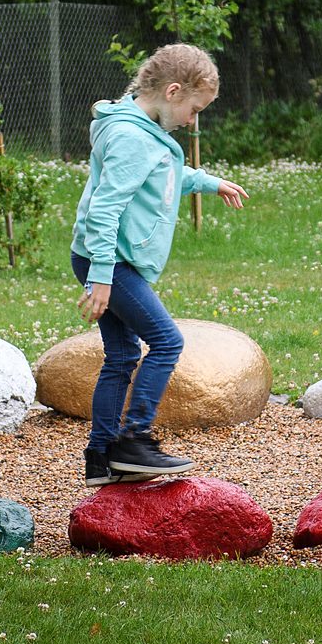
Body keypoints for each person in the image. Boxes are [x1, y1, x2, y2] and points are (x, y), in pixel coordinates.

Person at [71, 43, 248, 486]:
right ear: (172, 91)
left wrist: (208, 182)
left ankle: (102, 456)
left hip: (107, 257)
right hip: (112, 260)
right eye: (194, 109)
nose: (193, 120)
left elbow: (163, 174)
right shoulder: (131, 137)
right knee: (167, 342)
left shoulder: (143, 130)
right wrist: (101, 277)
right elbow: (105, 209)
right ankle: (135, 440)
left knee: (123, 354)